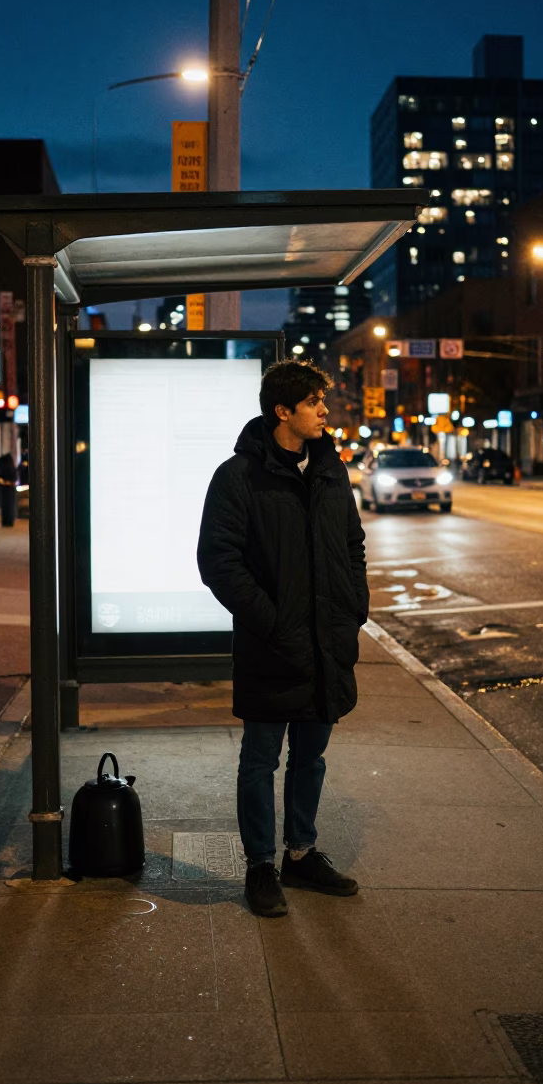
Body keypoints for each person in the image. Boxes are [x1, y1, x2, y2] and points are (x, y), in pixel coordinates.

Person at [197, 358, 368, 917]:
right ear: (282, 410)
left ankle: (301, 853)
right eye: (314, 402)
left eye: (323, 401)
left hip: (327, 644)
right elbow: (218, 561)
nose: (324, 411)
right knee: (260, 760)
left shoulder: (331, 470)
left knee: (310, 758)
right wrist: (272, 622)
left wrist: (354, 609)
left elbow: (352, 545)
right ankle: (260, 866)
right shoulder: (239, 475)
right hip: (271, 646)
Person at [0, 450, 17, 527]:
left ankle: (6, 521)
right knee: (10, 506)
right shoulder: (9, 464)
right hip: (10, 488)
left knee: (6, 506)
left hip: (4, 488)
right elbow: (14, 477)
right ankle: (9, 521)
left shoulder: (1, 463)